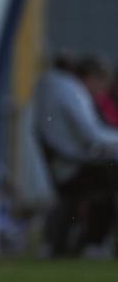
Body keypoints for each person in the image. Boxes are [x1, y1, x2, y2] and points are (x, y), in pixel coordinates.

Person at [34, 55, 118, 256]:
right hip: (73, 168)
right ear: (90, 78)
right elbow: (91, 134)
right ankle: (94, 242)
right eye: (101, 84)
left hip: (66, 165)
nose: (101, 92)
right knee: (110, 180)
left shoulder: (54, 88)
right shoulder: (72, 92)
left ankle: (91, 241)